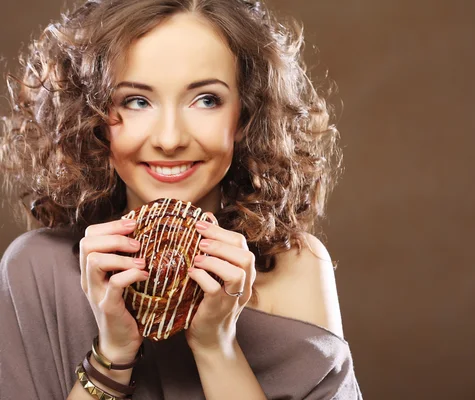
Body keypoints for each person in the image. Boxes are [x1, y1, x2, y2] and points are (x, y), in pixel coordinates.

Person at [0, 0, 362, 399]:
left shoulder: (297, 266)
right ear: (94, 117)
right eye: (136, 101)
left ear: (245, 116)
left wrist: (215, 346)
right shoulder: (34, 270)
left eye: (206, 99)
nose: (170, 139)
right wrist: (113, 353)